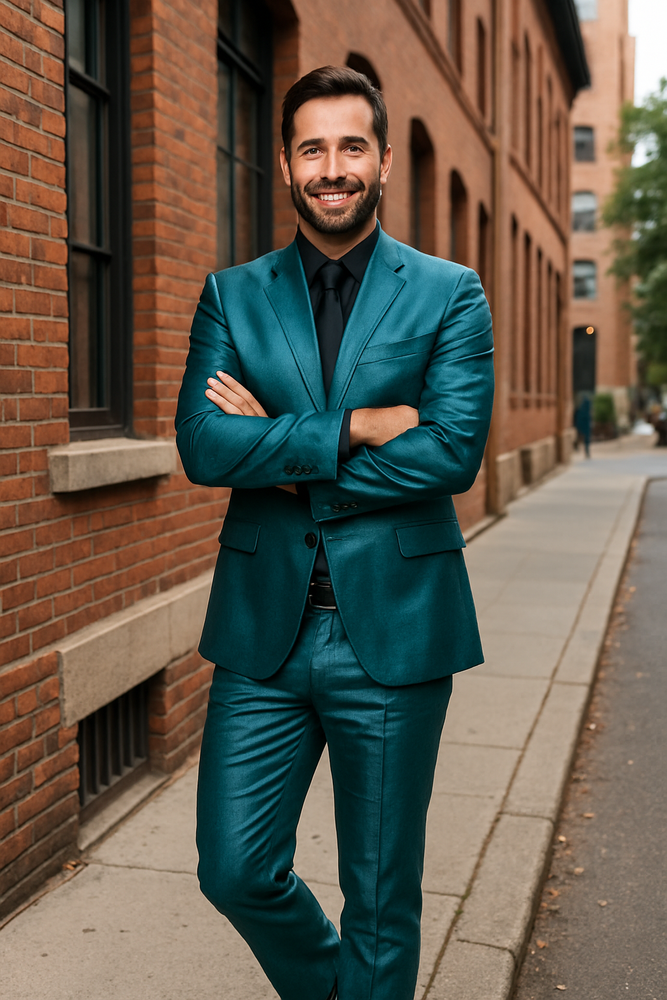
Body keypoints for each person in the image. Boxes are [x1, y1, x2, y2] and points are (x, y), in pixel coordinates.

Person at [175, 65, 494, 1000]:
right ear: (284, 163)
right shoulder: (232, 295)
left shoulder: (450, 293)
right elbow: (200, 444)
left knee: (381, 897)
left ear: (384, 159)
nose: (332, 167)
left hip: (394, 630)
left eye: (351, 146)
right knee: (232, 867)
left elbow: (449, 456)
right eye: (312, 147)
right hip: (262, 635)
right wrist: (353, 426)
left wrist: (270, 447)